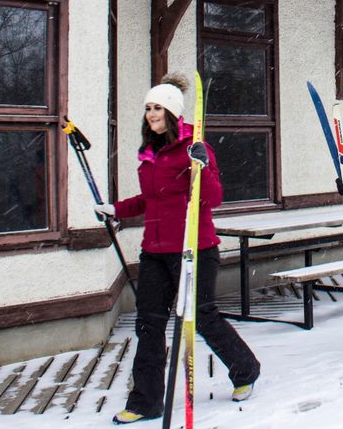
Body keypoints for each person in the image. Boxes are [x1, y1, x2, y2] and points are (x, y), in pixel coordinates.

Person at [94, 74, 260, 424]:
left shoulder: (194, 147)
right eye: (147, 108)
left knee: (201, 316)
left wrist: (202, 167)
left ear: (172, 112)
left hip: (193, 247)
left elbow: (212, 198)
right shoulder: (150, 153)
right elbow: (149, 200)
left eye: (157, 108)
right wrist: (117, 210)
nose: (150, 114)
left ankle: (245, 369)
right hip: (154, 251)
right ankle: (145, 402)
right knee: (149, 324)